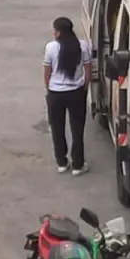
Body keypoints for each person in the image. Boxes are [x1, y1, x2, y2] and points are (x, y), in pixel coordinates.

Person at [43, 17, 92, 175]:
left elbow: (47, 72)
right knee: (77, 129)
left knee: (57, 128)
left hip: (56, 93)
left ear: (59, 32)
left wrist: (49, 88)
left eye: (55, 30)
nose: (53, 33)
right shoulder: (82, 46)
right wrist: (84, 86)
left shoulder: (50, 48)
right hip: (76, 92)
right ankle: (78, 164)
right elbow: (88, 68)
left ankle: (62, 162)